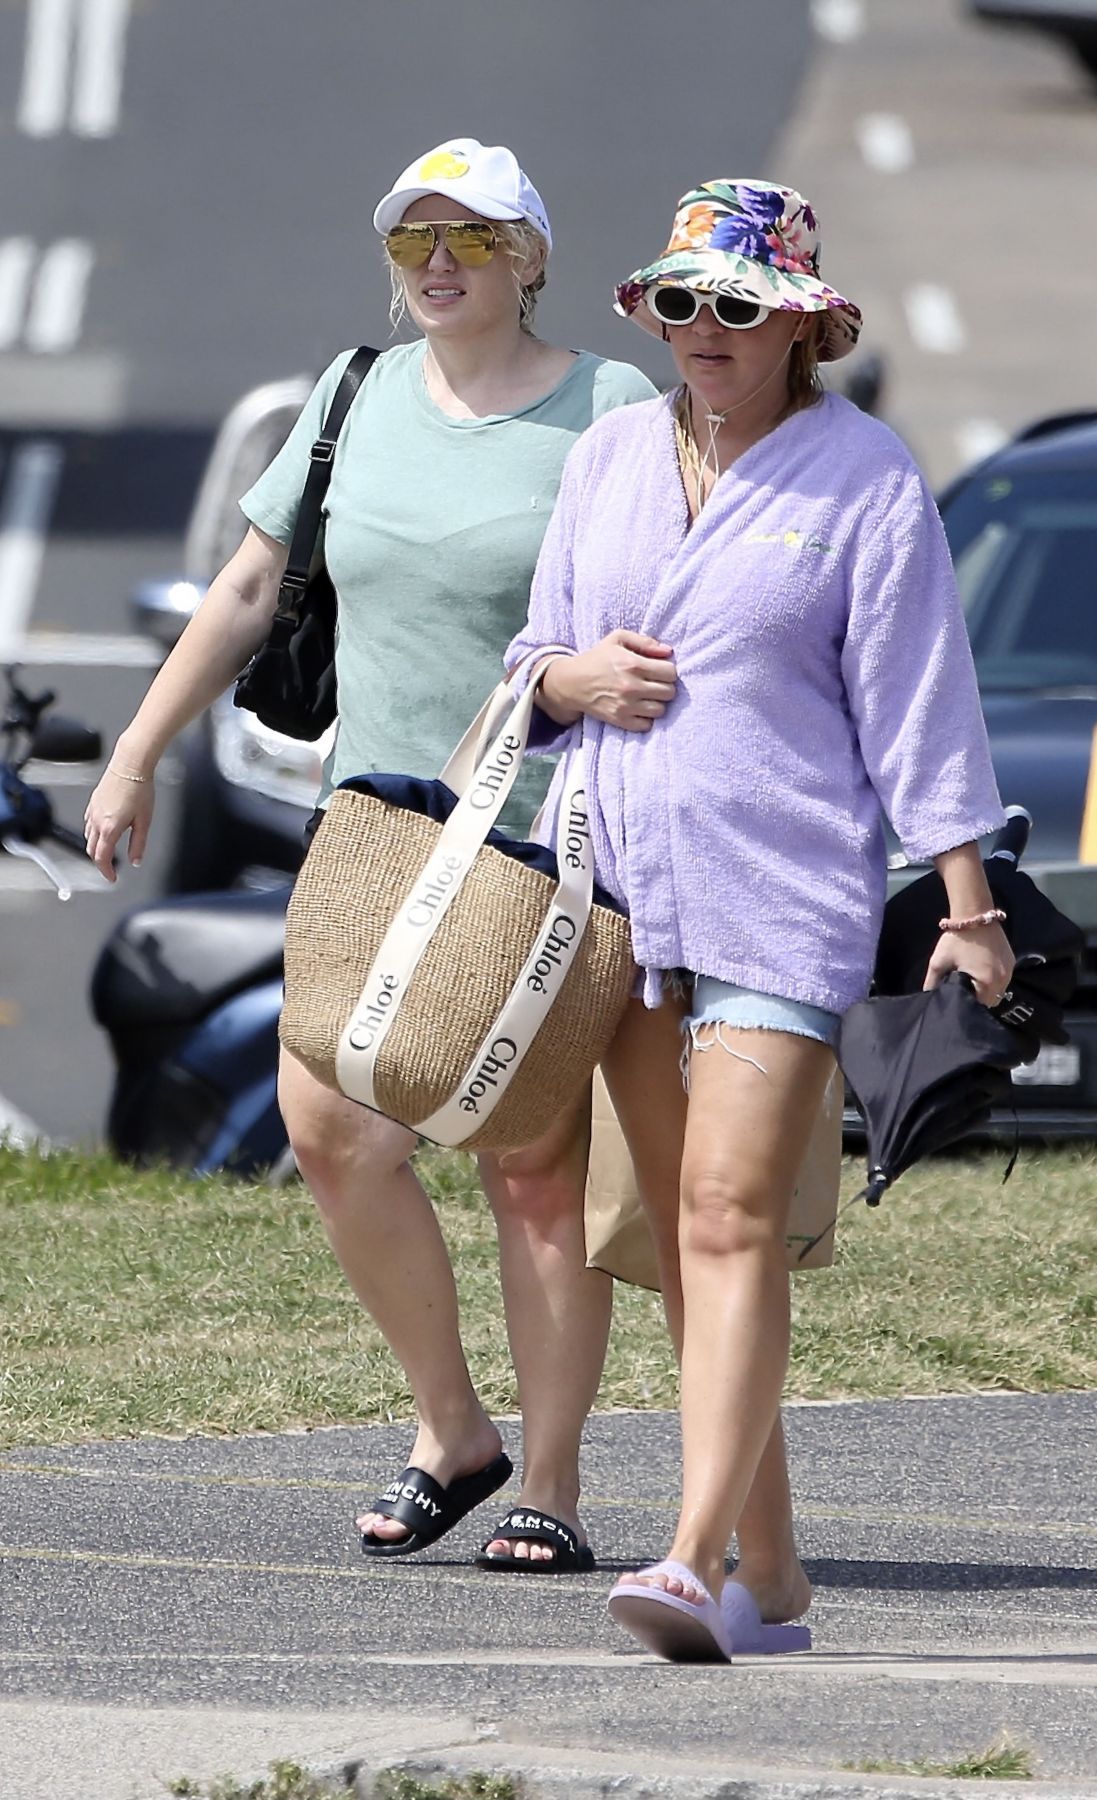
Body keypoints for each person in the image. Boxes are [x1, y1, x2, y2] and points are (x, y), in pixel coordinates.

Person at [83, 137, 655, 1572]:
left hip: (540, 836)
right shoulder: (354, 394)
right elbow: (252, 580)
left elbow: (664, 604)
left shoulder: (611, 406)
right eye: (415, 244)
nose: (441, 264)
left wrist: (577, 681)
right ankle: (454, 1430)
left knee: (528, 1168)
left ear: (528, 253)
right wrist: (136, 750)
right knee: (333, 1128)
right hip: (373, 825)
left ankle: (558, 1485)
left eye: (469, 237)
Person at [507, 178, 1015, 1658]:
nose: (703, 331)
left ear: (801, 324)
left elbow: (922, 705)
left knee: (732, 1219)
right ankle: (775, 1578)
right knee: (683, 1241)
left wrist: (966, 906)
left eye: (736, 305)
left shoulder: (865, 479)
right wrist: (571, 682)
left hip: (780, 898)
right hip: (612, 893)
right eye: (680, 303)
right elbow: (537, 651)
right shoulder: (605, 457)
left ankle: (687, 1557)